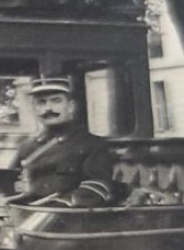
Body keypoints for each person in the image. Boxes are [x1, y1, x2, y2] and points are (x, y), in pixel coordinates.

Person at [10, 77, 117, 206]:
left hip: (67, 218)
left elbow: (95, 189)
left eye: (56, 101)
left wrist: (56, 205)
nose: (48, 108)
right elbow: (9, 184)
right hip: (27, 217)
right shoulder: (26, 147)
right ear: (34, 109)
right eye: (41, 102)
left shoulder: (92, 144)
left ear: (71, 106)